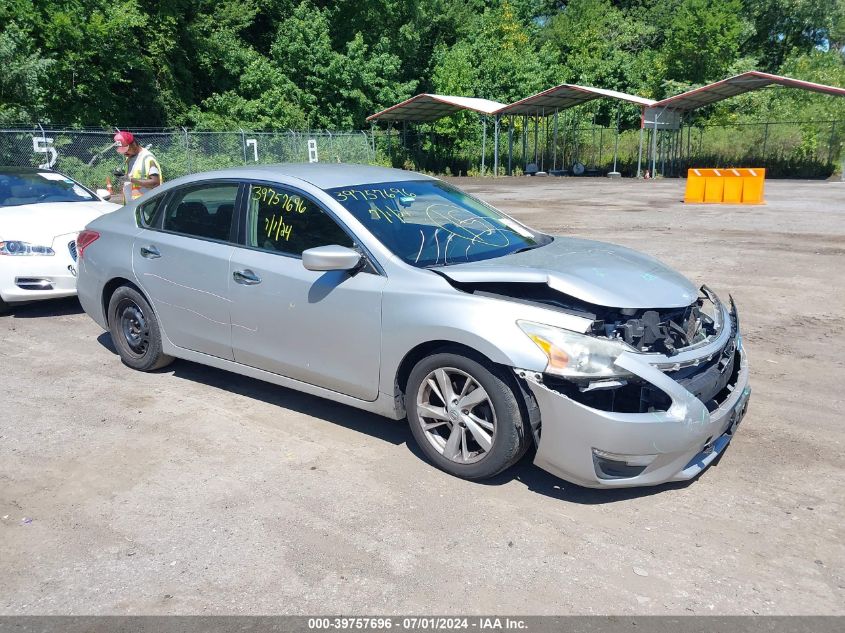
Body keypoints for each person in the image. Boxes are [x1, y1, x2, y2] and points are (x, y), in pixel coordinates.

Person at [112, 131, 163, 202]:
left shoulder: (148, 158)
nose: (125, 153)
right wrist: (121, 176)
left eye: (126, 150)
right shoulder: (129, 159)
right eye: (123, 151)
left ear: (133, 144)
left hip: (146, 206)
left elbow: (155, 183)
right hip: (131, 207)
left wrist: (130, 179)